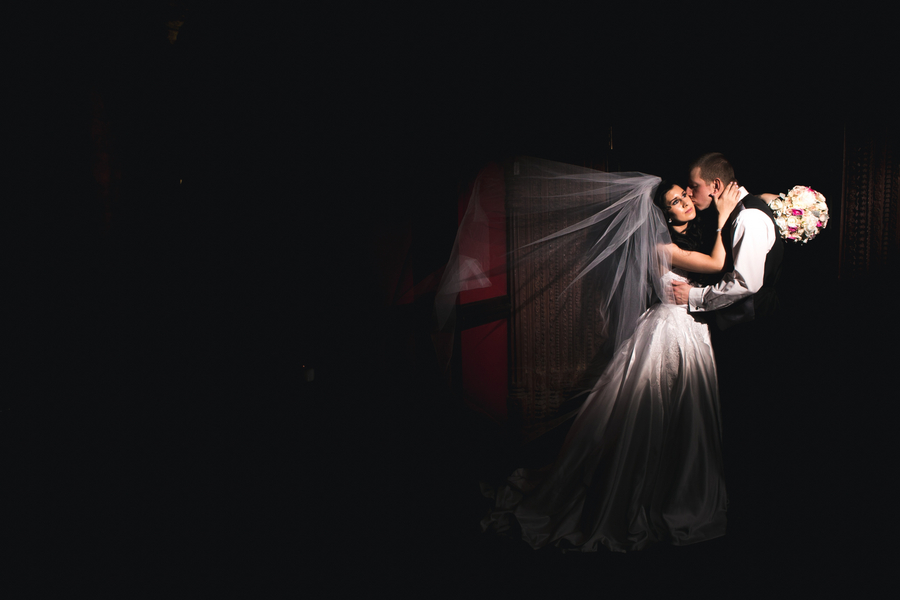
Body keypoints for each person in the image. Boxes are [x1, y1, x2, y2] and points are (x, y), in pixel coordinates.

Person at [460, 158, 741, 552]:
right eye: (675, 202)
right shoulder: (660, 246)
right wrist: (725, 216)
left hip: (692, 333)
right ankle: (639, 496)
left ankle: (677, 489)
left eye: (683, 196)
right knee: (648, 417)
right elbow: (716, 264)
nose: (684, 203)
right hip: (668, 332)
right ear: (663, 214)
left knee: (684, 415)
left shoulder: (693, 233)